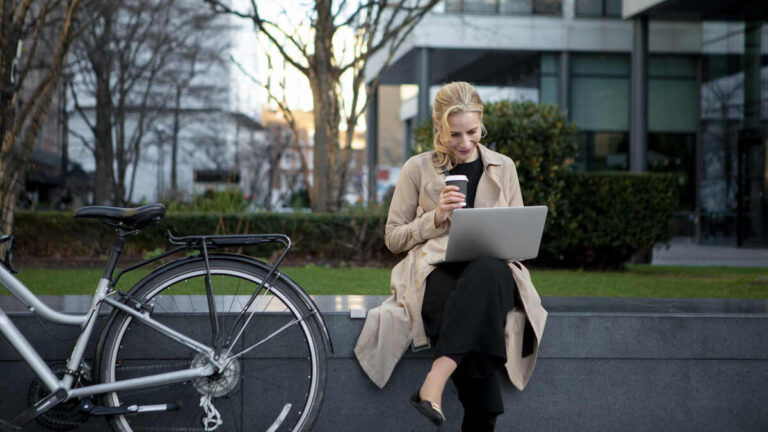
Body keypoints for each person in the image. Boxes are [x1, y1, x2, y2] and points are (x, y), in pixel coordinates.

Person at [354, 81, 548, 430]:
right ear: (438, 127)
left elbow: (519, 233)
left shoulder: (504, 167)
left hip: (491, 274)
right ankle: (473, 407)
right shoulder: (418, 168)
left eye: (472, 132)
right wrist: (435, 218)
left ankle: (436, 380)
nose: (463, 143)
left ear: (481, 124)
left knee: (488, 272)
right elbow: (393, 238)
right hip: (436, 273)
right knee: (484, 399)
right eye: (454, 134)